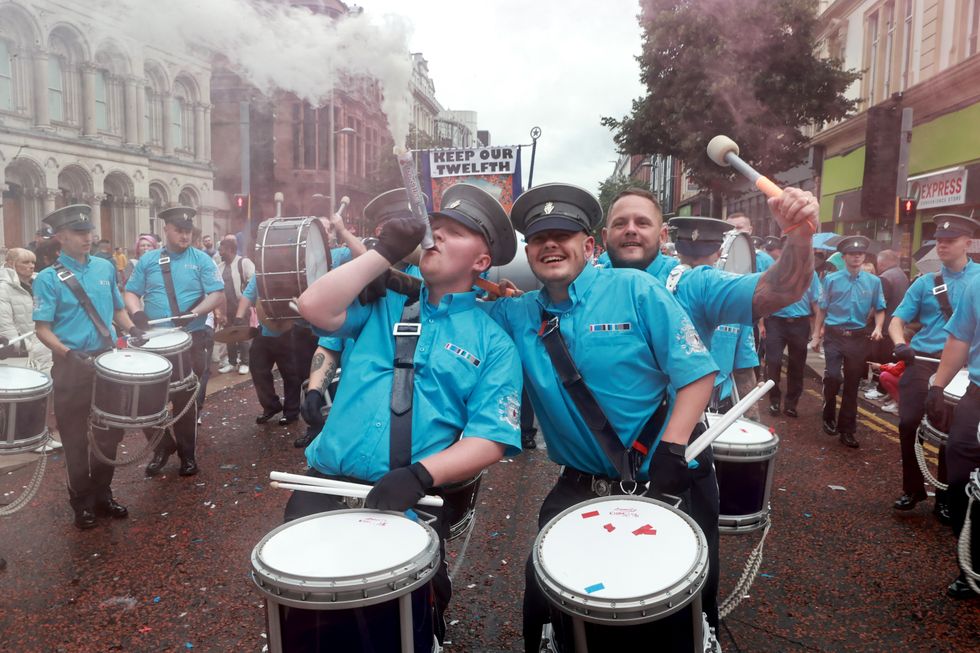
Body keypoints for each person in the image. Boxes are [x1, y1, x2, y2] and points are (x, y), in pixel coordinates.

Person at [484, 184, 722, 651]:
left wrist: (673, 447)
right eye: (540, 239)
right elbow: (450, 310)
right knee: (544, 602)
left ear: (589, 245)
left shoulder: (635, 289)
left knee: (681, 611)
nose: (551, 245)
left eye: (563, 235)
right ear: (529, 253)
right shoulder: (515, 314)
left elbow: (697, 373)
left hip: (663, 482)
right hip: (580, 487)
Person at [291, 183, 523, 649]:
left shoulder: (493, 342)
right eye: (435, 227)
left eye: (455, 232)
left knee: (399, 631)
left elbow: (491, 437)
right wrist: (383, 255)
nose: (437, 236)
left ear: (481, 261)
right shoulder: (382, 301)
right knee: (309, 627)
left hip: (405, 501)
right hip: (324, 489)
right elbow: (313, 306)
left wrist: (420, 475)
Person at [31, 205, 145, 529]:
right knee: (74, 438)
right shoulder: (47, 278)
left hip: (107, 361)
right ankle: (81, 502)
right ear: (61, 237)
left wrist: (132, 328)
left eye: (89, 231)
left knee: (109, 434)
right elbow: (42, 329)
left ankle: (102, 494)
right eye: (79, 233)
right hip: (71, 364)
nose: (87, 237)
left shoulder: (105, 267)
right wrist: (67, 353)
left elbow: (117, 310)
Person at [889, 214, 979, 516]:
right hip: (923, 360)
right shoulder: (925, 283)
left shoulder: (978, 279)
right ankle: (913, 488)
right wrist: (900, 343)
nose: (942, 245)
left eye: (950, 240)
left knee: (951, 433)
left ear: (968, 243)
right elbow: (897, 320)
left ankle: (945, 498)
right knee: (908, 422)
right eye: (939, 240)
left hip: (965, 367)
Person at [125, 207, 224, 477]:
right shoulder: (148, 261)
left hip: (192, 338)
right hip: (155, 341)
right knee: (145, 402)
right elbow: (131, 292)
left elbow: (217, 293)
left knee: (185, 400)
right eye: (179, 230)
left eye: (188, 231)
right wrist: (137, 313)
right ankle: (162, 446)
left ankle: (187, 455)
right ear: (165, 229)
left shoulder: (202, 259)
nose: (185, 236)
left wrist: (195, 313)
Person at [927, 273, 980, 599]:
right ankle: (970, 565)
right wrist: (938, 385)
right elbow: (960, 338)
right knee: (960, 479)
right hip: (977, 396)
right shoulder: (978, 284)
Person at [810, 235, 886, 448]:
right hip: (834, 335)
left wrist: (878, 327)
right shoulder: (832, 280)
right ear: (843, 257)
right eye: (852, 254)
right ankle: (828, 412)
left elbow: (880, 308)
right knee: (833, 376)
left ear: (864, 257)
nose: (856, 257)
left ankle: (847, 430)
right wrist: (816, 335)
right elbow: (822, 309)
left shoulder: (874, 282)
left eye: (860, 254)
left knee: (852, 384)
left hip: (858, 337)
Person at [763, 270, 823, 417]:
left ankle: (791, 404)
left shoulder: (810, 274)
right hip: (775, 322)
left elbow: (816, 302)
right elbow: (764, 298)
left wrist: (818, 330)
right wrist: (761, 323)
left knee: (797, 365)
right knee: (773, 361)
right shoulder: (777, 270)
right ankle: (774, 400)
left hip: (800, 323)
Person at [0, 248, 52, 373]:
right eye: (25, 262)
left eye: (33, 262)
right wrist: (23, 346)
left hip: (47, 345)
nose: (31, 266)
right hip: (23, 353)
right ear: (11, 263)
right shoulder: (3, 288)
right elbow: (5, 323)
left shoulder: (40, 282)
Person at [867, 249, 910, 400]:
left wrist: (867, 318)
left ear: (882, 263)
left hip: (886, 327)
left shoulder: (885, 278)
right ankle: (888, 392)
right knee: (892, 360)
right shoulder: (902, 275)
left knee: (881, 358)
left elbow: (879, 304)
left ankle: (880, 389)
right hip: (898, 326)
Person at [215, 235, 254, 375]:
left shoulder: (244, 262)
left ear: (230, 249)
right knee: (229, 336)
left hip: (241, 306)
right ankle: (232, 362)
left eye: (222, 250)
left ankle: (245, 362)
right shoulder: (219, 267)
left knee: (242, 335)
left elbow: (253, 281)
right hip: (226, 308)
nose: (220, 253)